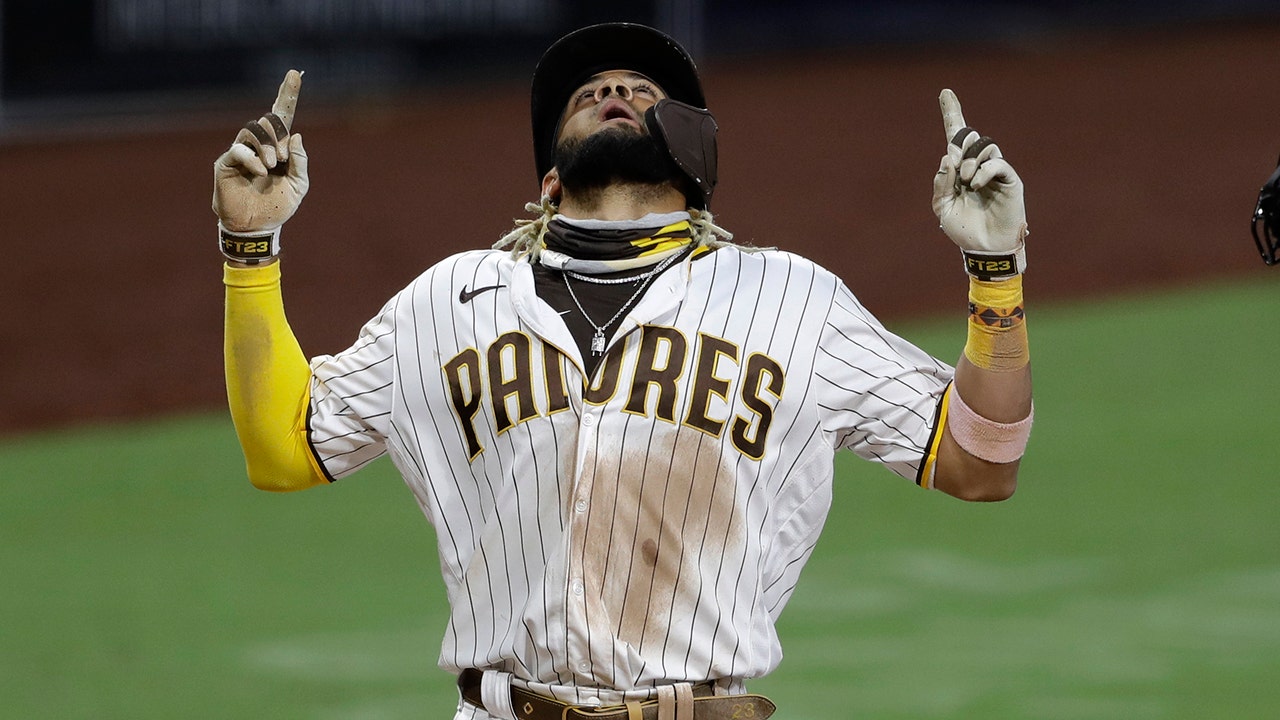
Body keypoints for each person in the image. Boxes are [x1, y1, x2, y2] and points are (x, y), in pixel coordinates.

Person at [214, 22, 1033, 720]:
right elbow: (285, 448)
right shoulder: (445, 301)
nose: (612, 90)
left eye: (641, 90)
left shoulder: (796, 299)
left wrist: (995, 267)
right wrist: (250, 249)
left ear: (694, 159)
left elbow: (982, 462)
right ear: (549, 177)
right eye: (587, 94)